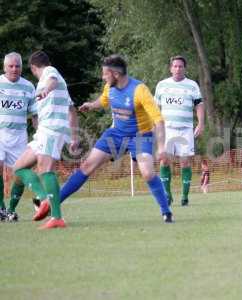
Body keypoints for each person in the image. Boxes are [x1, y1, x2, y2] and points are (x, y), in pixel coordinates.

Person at [37, 54, 173, 223]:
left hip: (140, 136)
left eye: (105, 74)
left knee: (147, 173)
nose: (103, 77)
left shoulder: (140, 90)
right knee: (86, 165)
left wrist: (161, 148)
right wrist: (91, 105)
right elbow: (104, 100)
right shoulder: (110, 87)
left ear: (116, 74)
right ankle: (53, 204)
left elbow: (158, 120)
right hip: (115, 134)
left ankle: (166, 211)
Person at [12, 50, 78, 229]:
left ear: (33, 68)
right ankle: (44, 200)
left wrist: (45, 90)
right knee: (18, 167)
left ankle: (56, 217)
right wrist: (73, 137)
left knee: (45, 169)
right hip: (44, 131)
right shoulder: (59, 84)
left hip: (52, 129)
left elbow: (52, 81)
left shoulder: (50, 72)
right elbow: (72, 110)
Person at [155, 55, 205, 206]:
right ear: (170, 69)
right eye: (175, 66)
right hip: (167, 129)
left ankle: (184, 196)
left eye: (180, 66)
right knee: (164, 160)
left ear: (184, 68)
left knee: (185, 162)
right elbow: (155, 107)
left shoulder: (192, 85)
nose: (177, 69)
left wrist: (201, 124)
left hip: (185, 130)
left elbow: (199, 105)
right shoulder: (162, 85)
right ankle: (167, 194)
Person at [0, 52, 37, 222]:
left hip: (19, 136)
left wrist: (38, 135)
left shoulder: (29, 86)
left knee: (22, 173)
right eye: (11, 66)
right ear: (5, 67)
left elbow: (35, 114)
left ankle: (11, 210)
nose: (14, 69)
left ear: (22, 67)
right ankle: (1, 208)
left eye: (17, 66)